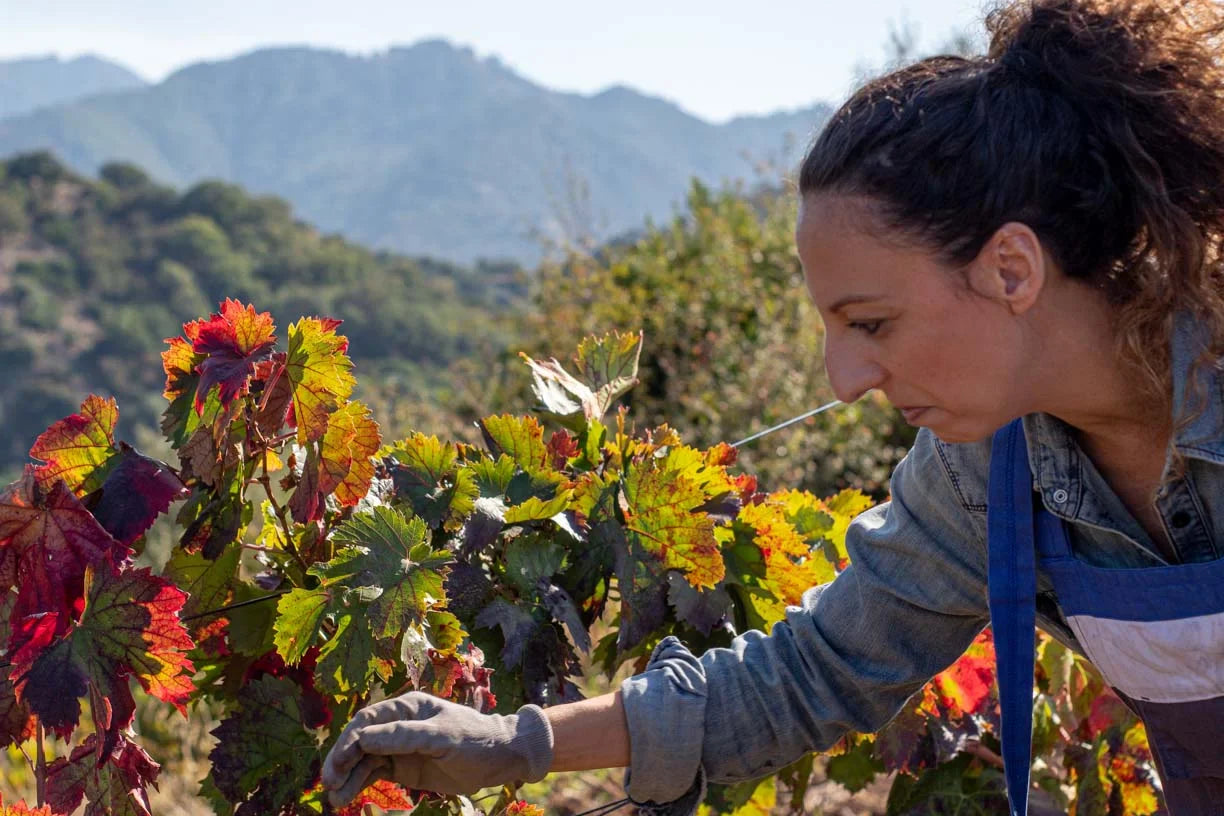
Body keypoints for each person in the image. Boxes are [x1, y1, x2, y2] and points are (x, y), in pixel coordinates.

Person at [321, 0, 1224, 812]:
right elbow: (814, 672)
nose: (844, 380)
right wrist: (518, 745)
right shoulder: (988, 471)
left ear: (1011, 270)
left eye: (871, 322)